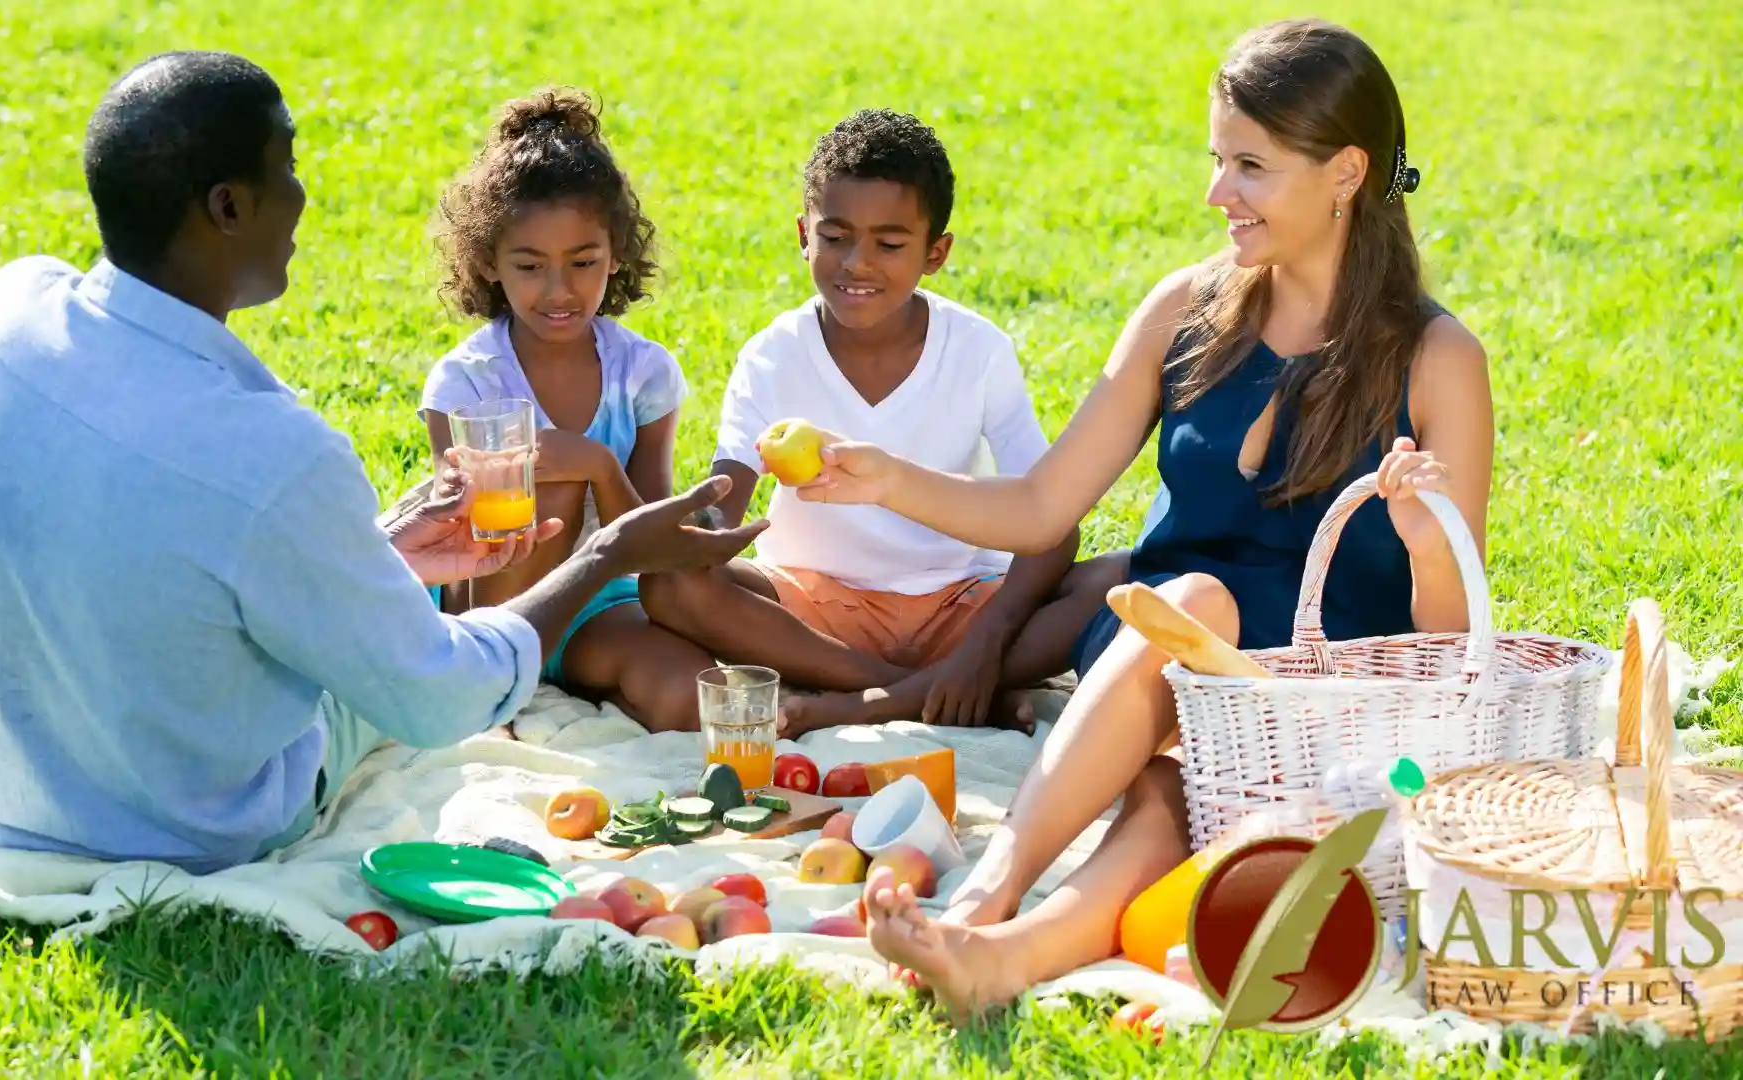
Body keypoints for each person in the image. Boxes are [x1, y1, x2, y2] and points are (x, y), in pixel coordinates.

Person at [0, 52, 762, 875]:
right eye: (288, 165)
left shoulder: (3, 315)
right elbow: (439, 696)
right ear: (229, 207)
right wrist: (605, 555)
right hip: (187, 826)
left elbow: (166, 552)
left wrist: (384, 544)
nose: (305, 195)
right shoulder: (276, 453)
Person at [808, 20, 1495, 1018]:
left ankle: (1003, 957)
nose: (1218, 193)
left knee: (1172, 795)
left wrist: (1429, 548)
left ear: (1345, 173)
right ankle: (990, 895)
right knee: (1194, 614)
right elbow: (1044, 503)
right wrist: (884, 478)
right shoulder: (1186, 310)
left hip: (1319, 706)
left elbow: (1454, 644)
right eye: (1219, 160)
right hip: (1159, 659)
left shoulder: (1439, 361)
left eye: (1250, 166)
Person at [638, 109, 1118, 735]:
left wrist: (986, 641)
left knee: (1122, 578)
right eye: (835, 237)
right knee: (670, 589)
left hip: (963, 605)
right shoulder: (773, 355)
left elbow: (1051, 522)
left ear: (935, 252)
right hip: (813, 612)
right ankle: (923, 695)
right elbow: (724, 502)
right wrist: (697, 532)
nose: (858, 263)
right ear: (803, 235)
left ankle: (871, 698)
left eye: (890, 245)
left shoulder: (977, 350)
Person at [418, 88, 714, 733]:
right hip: (490, 614)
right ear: (489, 262)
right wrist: (569, 469)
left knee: (690, 697)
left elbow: (649, 540)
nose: (560, 291)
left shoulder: (643, 373)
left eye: (584, 263)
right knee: (539, 482)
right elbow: (459, 542)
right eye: (530, 266)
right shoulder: (467, 381)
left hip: (598, 605)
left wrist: (601, 466)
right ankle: (497, 686)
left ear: (617, 256)